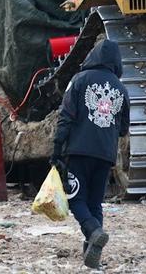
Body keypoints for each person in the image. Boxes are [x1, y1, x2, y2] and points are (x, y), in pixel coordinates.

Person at [51, 39, 130, 269]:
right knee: (95, 203)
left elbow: (66, 117)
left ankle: (93, 231)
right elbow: (123, 129)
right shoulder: (121, 89)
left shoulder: (79, 80)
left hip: (78, 151)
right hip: (105, 155)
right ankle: (91, 252)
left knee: (76, 198)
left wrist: (57, 150)